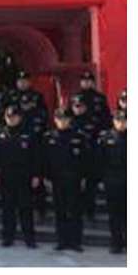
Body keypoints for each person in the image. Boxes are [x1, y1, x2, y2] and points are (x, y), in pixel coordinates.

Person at [0, 105, 41, 248]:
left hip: (24, 176)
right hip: (6, 176)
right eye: (8, 116)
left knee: (26, 209)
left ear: (20, 117)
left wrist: (36, 175)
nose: (11, 119)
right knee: (7, 209)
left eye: (14, 116)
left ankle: (29, 239)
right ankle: (7, 237)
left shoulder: (29, 134)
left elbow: (36, 156)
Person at [42, 108, 91, 252]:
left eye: (65, 119)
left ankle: (75, 241)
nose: (62, 122)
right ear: (55, 120)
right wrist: (46, 177)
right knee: (60, 211)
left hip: (74, 179)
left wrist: (84, 177)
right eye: (59, 119)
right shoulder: (49, 137)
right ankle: (61, 240)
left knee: (75, 211)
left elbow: (86, 159)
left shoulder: (79, 137)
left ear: (70, 120)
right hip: (56, 179)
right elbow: (44, 160)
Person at [97, 110, 127, 254]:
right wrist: (101, 179)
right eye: (118, 120)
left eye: (124, 121)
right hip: (112, 178)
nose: (121, 123)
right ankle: (116, 243)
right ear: (114, 121)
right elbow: (100, 160)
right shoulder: (105, 137)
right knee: (114, 213)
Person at [70, 94, 102, 221]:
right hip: (74, 162)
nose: (78, 109)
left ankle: (90, 212)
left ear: (85, 107)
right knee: (74, 189)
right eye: (75, 106)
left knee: (90, 189)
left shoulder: (93, 121)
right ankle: (77, 212)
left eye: (80, 106)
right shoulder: (69, 121)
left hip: (90, 160)